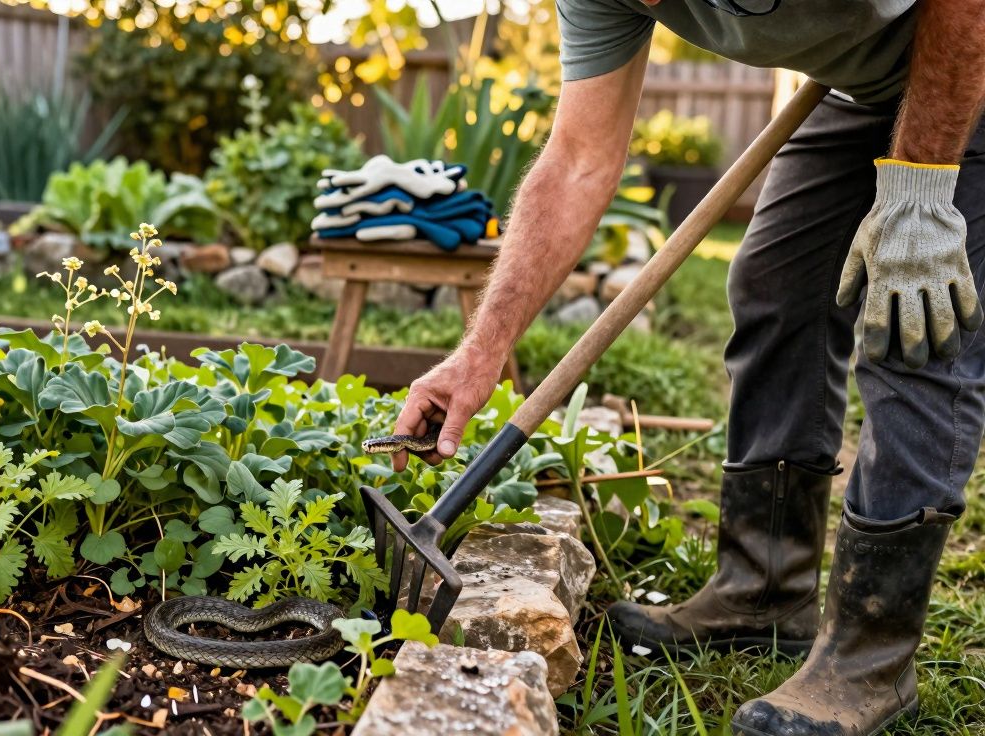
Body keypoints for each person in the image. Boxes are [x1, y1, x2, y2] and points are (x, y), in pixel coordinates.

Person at [388, 2, 985, 734]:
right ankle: (765, 586)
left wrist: (921, 194)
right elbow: (578, 158)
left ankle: (872, 656)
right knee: (775, 283)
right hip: (864, 88)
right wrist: (479, 354)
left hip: (969, 59)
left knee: (914, 319)